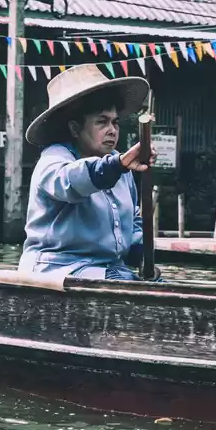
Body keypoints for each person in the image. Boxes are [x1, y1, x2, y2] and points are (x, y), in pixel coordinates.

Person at [18, 64, 158, 281]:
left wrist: (142, 259)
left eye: (115, 122)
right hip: (57, 269)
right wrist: (117, 165)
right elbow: (71, 182)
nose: (112, 130)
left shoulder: (120, 165)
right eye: (102, 122)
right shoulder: (54, 158)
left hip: (108, 270)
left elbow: (134, 220)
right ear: (75, 128)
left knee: (160, 286)